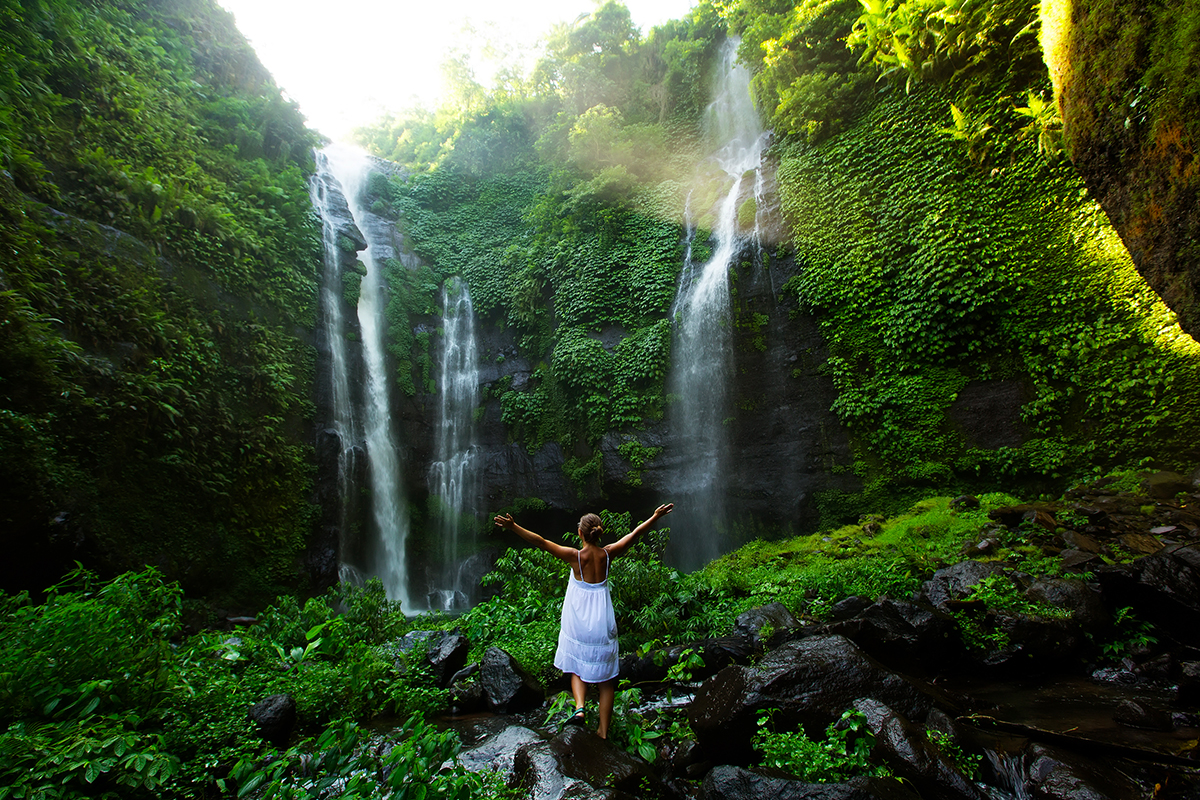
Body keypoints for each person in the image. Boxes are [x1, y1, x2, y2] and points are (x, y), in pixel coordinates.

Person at [493, 503, 674, 738]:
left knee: (577, 665)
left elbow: (540, 542)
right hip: (603, 621)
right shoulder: (608, 554)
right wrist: (654, 516)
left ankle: (579, 708)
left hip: (578, 620)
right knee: (607, 680)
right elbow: (635, 534)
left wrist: (514, 526)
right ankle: (603, 732)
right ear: (599, 532)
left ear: (580, 533)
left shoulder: (575, 557)